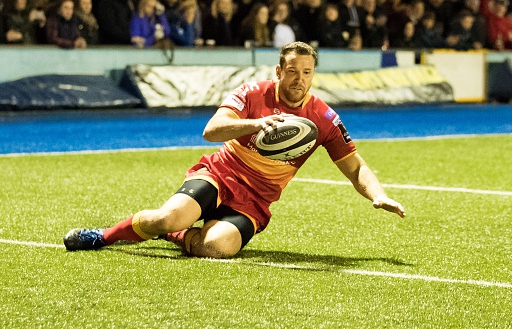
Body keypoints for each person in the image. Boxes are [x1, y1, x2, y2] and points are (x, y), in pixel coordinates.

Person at [63, 41, 406, 259]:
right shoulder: (253, 92)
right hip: (219, 174)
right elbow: (211, 130)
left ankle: (178, 235)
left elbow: (355, 165)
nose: (298, 79)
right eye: (291, 71)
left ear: (313, 76)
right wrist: (253, 125)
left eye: (306, 72)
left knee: (214, 249)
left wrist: (377, 195)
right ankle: (102, 237)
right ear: (278, 71)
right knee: (165, 215)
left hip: (256, 199)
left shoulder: (324, 118)